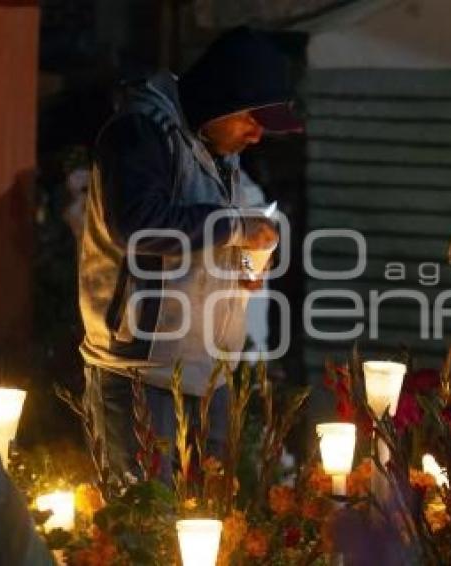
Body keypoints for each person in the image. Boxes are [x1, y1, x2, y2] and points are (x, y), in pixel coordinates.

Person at [78, 27, 299, 482]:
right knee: (145, 531)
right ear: (220, 100)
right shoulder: (141, 131)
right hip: (142, 372)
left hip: (208, 374)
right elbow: (140, 224)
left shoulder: (217, 146)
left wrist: (244, 263)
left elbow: (206, 229)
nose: (257, 136)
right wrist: (237, 226)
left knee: (207, 526)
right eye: (251, 119)